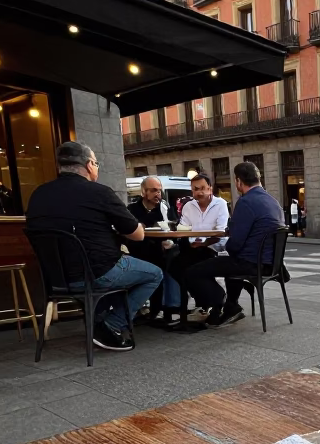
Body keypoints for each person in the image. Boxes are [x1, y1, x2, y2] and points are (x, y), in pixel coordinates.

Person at [25, 140, 162, 352]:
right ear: (89, 165)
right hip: (98, 272)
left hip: (57, 279)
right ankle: (112, 324)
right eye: (96, 163)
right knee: (154, 273)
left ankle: (100, 319)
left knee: (119, 271)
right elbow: (137, 235)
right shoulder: (99, 192)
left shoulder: (37, 195)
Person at [184, 161, 285, 327]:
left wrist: (228, 246)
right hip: (271, 264)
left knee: (193, 271)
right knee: (229, 263)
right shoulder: (273, 201)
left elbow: (234, 245)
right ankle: (231, 306)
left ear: (238, 181)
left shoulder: (246, 202)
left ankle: (220, 302)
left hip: (252, 264)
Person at [168, 172, 229, 308]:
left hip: (213, 247)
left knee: (190, 268)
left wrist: (205, 242)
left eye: (202, 188)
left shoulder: (221, 204)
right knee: (173, 266)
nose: (199, 192)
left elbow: (221, 231)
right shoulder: (188, 206)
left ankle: (214, 298)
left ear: (210, 188)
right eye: (195, 189)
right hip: (193, 247)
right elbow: (183, 228)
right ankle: (203, 300)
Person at [126, 175, 181, 327]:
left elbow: (173, 228)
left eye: (159, 191)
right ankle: (145, 308)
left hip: (160, 251)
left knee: (171, 260)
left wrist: (169, 240)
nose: (158, 194)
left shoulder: (164, 208)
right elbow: (127, 231)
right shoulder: (132, 210)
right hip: (138, 251)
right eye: (154, 190)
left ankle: (165, 307)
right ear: (144, 192)